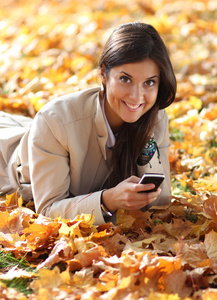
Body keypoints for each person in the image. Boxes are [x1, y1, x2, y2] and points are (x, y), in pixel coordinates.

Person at [0, 22, 176, 224]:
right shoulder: (55, 121)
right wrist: (107, 201)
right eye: (125, 79)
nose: (137, 96)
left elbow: (161, 201)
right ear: (103, 73)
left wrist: (145, 144)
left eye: (149, 82)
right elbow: (48, 211)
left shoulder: (155, 117)